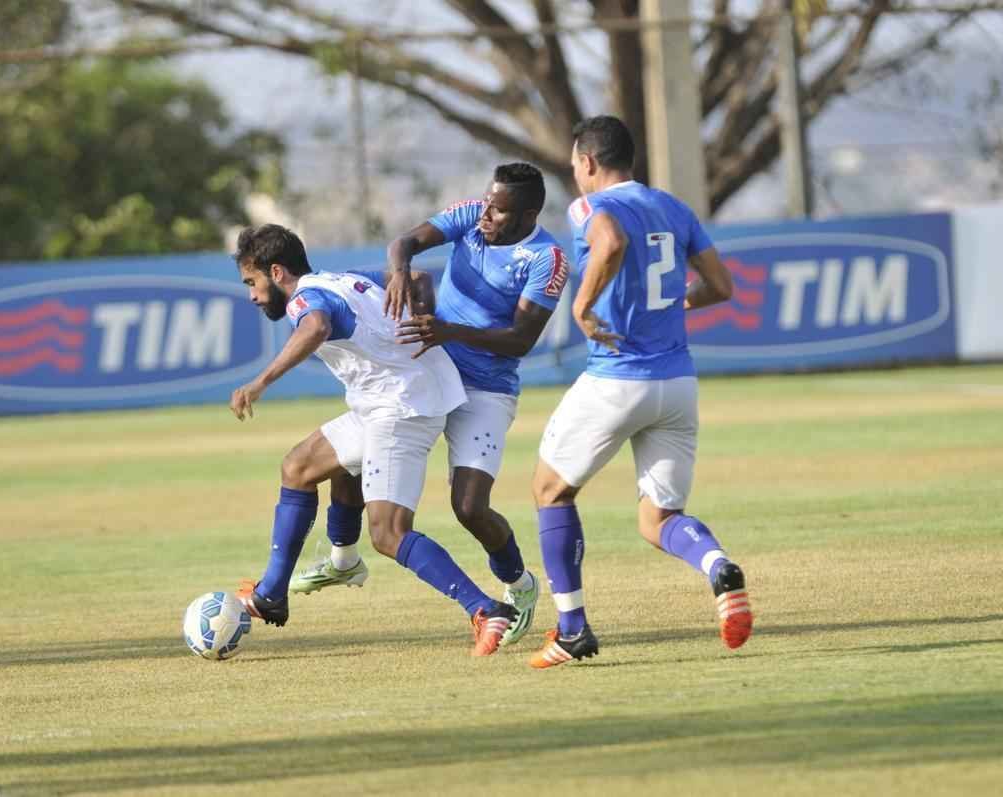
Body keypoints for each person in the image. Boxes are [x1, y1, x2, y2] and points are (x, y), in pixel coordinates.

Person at [289, 163, 569, 647]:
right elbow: (405, 243)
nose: (486, 215)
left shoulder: (547, 259)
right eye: (485, 202)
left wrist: (450, 330)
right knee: (355, 450)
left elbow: (521, 340)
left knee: (469, 507)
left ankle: (520, 585)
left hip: (486, 388)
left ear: (528, 214)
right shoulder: (471, 216)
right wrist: (399, 273)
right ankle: (341, 559)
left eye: (499, 211)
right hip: (427, 373)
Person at [228, 223, 518, 656]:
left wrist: (261, 382)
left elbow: (316, 328)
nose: (252, 295)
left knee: (388, 533)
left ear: (276, 271)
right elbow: (417, 279)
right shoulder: (342, 278)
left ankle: (483, 608)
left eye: (252, 283)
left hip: (401, 410)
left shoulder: (305, 299)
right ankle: (274, 591)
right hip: (391, 398)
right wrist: (417, 324)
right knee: (299, 466)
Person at [528, 115, 752, 669]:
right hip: (676, 383)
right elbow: (721, 286)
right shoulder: (675, 209)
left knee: (549, 490)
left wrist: (581, 305)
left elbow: (609, 240)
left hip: (616, 378)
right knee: (659, 518)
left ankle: (573, 628)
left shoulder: (589, 206)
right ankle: (718, 566)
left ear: (587, 163)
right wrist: (679, 303)